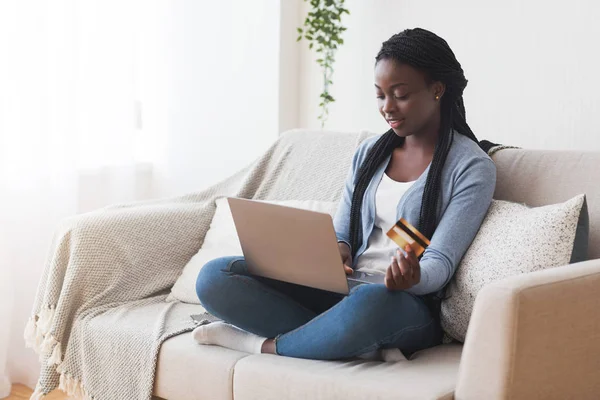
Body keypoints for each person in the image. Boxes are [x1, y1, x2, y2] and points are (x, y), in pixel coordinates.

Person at [193, 28, 496, 360]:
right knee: (215, 276)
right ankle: (342, 340)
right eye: (380, 95)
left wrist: (414, 276)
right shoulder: (370, 154)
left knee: (370, 302)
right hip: (342, 289)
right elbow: (343, 232)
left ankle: (263, 345)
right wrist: (336, 252)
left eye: (400, 94)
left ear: (437, 90)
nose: (387, 107)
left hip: (401, 302)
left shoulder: (471, 167)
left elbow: (440, 262)